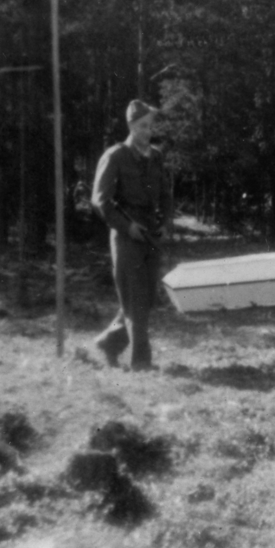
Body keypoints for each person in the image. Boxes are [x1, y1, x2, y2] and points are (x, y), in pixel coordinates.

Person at [91, 100, 173, 372]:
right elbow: (100, 200)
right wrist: (127, 227)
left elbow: (165, 194)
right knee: (135, 296)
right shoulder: (115, 156)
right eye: (141, 126)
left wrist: (165, 223)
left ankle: (108, 343)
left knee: (146, 298)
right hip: (126, 236)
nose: (147, 131)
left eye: (150, 126)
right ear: (130, 126)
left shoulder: (157, 156)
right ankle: (141, 361)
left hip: (151, 233)